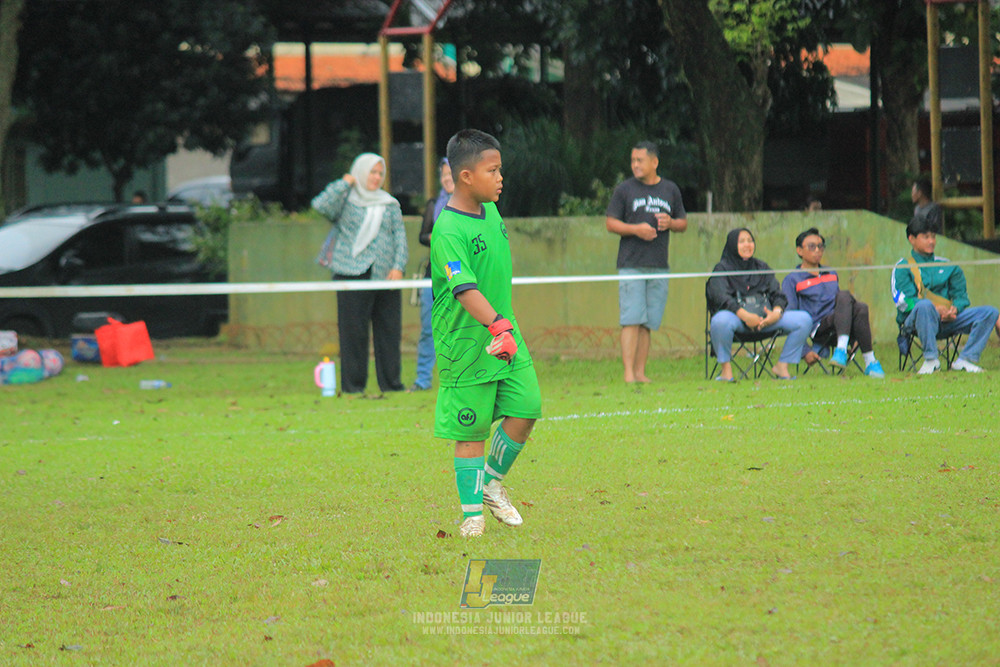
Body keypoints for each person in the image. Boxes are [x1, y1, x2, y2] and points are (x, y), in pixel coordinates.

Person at [430, 129, 542, 538]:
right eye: (492, 170)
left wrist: (504, 326)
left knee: (527, 407)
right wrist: (497, 325)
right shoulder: (447, 230)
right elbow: (464, 289)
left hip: (506, 332)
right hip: (467, 344)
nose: (500, 178)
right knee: (471, 429)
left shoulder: (491, 210)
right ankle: (472, 516)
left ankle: (491, 484)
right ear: (465, 176)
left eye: (500, 169)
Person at [312, 153, 408, 393]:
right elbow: (320, 205)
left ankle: (391, 384)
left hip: (385, 275)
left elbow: (399, 236)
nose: (376, 177)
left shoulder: (389, 204)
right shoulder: (345, 199)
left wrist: (398, 266)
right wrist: (344, 183)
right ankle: (353, 386)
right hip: (350, 272)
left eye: (380, 173)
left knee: (389, 331)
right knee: (353, 333)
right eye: (372, 172)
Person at [605, 140, 687, 383]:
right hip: (631, 264)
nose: (635, 165)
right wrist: (636, 230)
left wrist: (671, 223)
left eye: (640, 160)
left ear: (654, 162)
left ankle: (640, 372)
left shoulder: (670, 189)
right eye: (633, 160)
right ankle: (628, 374)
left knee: (647, 323)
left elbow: (683, 222)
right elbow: (610, 223)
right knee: (631, 320)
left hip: (659, 266)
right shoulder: (624, 190)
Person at [891, 216, 998, 374]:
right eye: (926, 237)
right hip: (916, 323)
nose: (931, 241)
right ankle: (931, 360)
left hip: (949, 320)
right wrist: (935, 309)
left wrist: (954, 309)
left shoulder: (949, 265)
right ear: (911, 239)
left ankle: (966, 359)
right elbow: (903, 302)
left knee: (990, 312)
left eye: (933, 237)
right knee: (924, 306)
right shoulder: (903, 267)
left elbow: (962, 297)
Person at [706, 228, 812, 381]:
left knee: (804, 319)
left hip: (766, 321)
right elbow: (721, 298)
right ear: (732, 245)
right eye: (741, 241)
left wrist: (776, 313)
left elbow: (777, 293)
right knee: (720, 321)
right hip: (738, 322)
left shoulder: (761, 267)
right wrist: (746, 316)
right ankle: (726, 371)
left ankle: (782, 366)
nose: (747, 245)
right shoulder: (721, 269)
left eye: (750, 241)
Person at [781, 228, 885, 378]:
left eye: (820, 246)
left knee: (859, 306)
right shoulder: (792, 279)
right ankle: (851, 353)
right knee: (847, 297)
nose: (817, 250)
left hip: (841, 325)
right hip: (819, 328)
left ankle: (867, 360)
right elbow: (791, 317)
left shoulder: (831, 273)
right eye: (812, 247)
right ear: (799, 251)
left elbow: (843, 305)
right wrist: (804, 351)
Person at [410, 158, 453, 392]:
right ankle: (423, 379)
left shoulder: (474, 205)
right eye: (444, 175)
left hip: (461, 277)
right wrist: (441, 237)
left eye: (451, 174)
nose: (447, 179)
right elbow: (423, 236)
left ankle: (460, 377)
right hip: (433, 275)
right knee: (429, 329)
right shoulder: (434, 204)